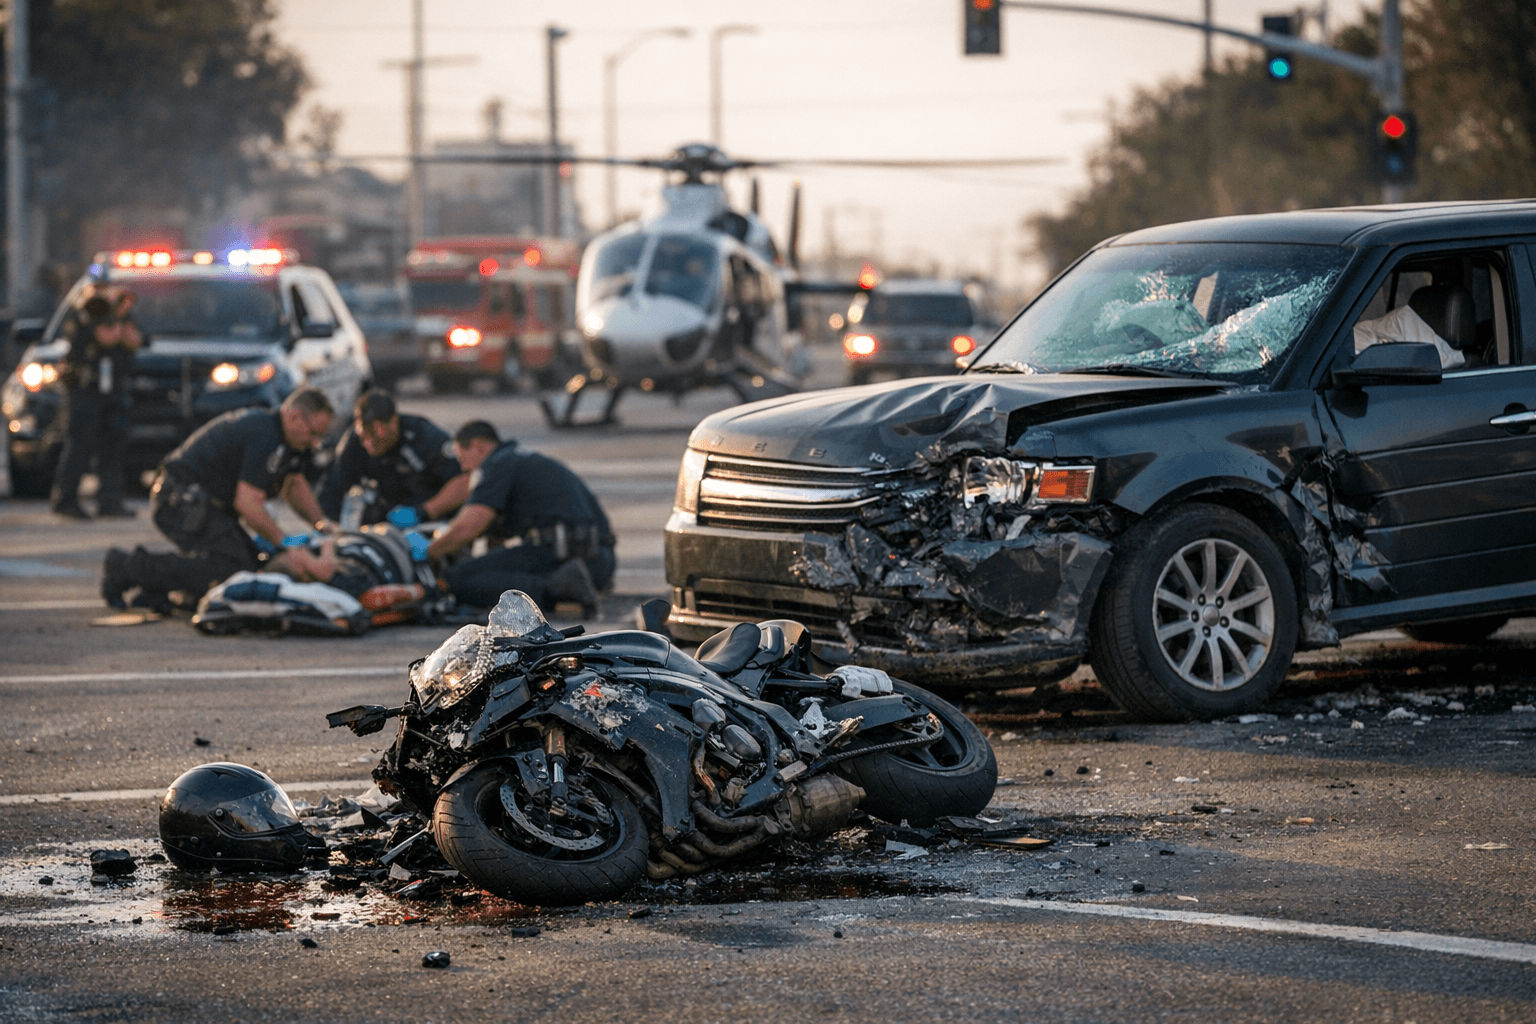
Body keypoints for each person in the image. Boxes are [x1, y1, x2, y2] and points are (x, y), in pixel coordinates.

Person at [101, 387, 337, 611]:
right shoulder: (265, 434)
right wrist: (283, 542)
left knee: (253, 564)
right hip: (178, 499)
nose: (315, 442)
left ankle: (155, 589)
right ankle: (126, 567)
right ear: (295, 416)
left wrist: (321, 524)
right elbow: (248, 504)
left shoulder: (289, 442)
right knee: (232, 570)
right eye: (313, 433)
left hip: (201, 503)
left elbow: (294, 484)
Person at [426, 420, 614, 616]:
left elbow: (469, 528)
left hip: (565, 558)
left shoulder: (497, 464)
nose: (464, 468)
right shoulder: (524, 458)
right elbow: (496, 539)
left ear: (478, 447)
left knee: (459, 579)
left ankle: (558, 589)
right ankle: (564, 584)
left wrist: (429, 553)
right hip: (599, 563)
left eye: (462, 459)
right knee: (485, 569)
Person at [51, 286, 143, 518]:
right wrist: (116, 322)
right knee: (80, 445)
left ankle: (110, 501)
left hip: (111, 391)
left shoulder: (121, 319)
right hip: (85, 391)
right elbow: (108, 337)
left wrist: (121, 321)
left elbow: (135, 340)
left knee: (112, 447)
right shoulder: (87, 314)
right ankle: (66, 499)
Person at [316, 390, 468, 527]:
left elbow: (465, 481)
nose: (369, 442)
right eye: (364, 435)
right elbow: (330, 494)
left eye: (375, 432)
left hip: (431, 521)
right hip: (383, 525)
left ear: (394, 422)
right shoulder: (355, 442)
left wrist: (424, 512)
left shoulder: (424, 436)